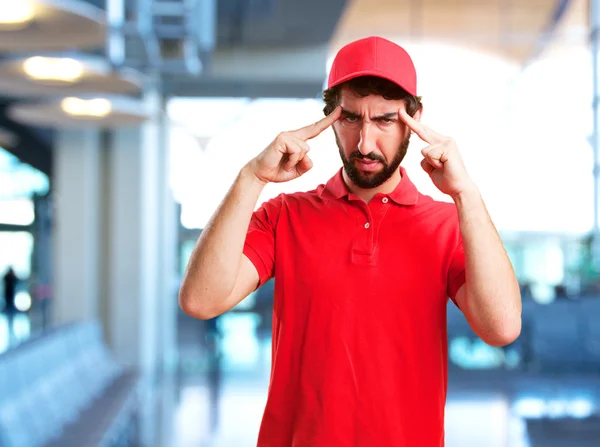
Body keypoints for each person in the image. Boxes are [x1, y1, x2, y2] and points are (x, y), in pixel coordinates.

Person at [179, 36, 522, 446]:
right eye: (351, 118)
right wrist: (251, 177)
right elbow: (200, 300)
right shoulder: (285, 215)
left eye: (385, 120)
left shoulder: (448, 224)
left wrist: (466, 194)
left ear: (415, 119)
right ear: (330, 119)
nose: (365, 143)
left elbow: (501, 328)